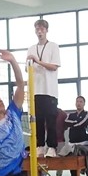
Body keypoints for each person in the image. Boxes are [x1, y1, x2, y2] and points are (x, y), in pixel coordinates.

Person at [26, 19, 61, 158]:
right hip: (36, 90)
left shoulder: (53, 46)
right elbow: (27, 68)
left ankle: (52, 147)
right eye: (37, 29)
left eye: (42, 29)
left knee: (50, 120)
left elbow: (54, 67)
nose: (39, 31)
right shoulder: (31, 48)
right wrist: (29, 62)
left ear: (46, 30)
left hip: (49, 90)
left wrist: (38, 61)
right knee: (38, 120)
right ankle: (40, 146)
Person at [61, 95, 88, 176]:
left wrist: (73, 124)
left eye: (81, 101)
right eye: (77, 101)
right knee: (69, 158)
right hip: (72, 143)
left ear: (84, 104)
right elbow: (66, 122)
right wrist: (76, 122)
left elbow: (82, 123)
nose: (79, 103)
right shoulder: (70, 115)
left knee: (84, 160)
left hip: (84, 144)